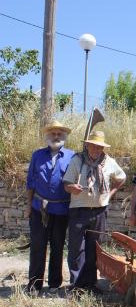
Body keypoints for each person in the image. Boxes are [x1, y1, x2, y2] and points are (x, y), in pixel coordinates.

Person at [63, 130, 126, 292]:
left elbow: (121, 177)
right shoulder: (77, 160)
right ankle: (76, 284)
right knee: (76, 248)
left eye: (100, 147)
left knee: (94, 248)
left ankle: (91, 283)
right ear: (88, 145)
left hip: (99, 211)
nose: (96, 149)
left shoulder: (109, 162)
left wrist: (110, 194)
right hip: (79, 210)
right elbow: (66, 184)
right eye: (94, 146)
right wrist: (73, 188)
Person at [25, 120, 75, 294]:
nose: (56, 136)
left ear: (64, 137)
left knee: (57, 246)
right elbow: (30, 182)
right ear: (47, 136)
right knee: (38, 246)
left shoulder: (72, 156)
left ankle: (54, 283)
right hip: (39, 208)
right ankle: (34, 285)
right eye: (53, 133)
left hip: (62, 210)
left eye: (59, 134)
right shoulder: (37, 155)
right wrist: (29, 206)